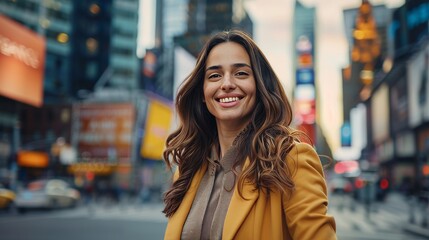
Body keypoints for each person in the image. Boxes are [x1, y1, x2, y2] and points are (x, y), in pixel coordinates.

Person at [162, 29, 336, 240]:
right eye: (215, 75)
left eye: (241, 73)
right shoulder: (187, 170)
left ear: (260, 86)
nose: (226, 84)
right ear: (202, 93)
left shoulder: (291, 160)